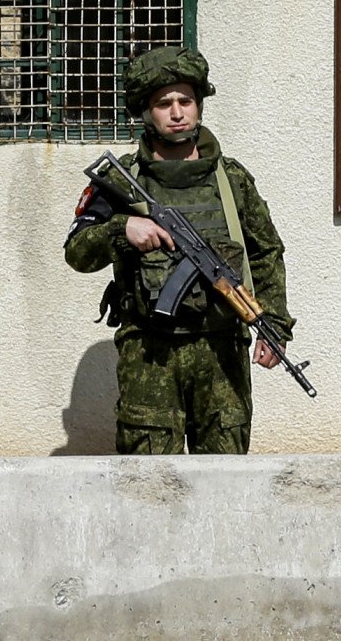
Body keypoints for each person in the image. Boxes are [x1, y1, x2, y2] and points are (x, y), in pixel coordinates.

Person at [64, 47, 290, 455]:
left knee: (226, 483)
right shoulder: (121, 179)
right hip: (150, 353)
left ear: (199, 107)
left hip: (223, 353)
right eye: (163, 103)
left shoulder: (231, 179)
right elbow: (77, 253)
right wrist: (121, 228)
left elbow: (266, 253)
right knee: (148, 482)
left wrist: (274, 327)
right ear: (146, 112)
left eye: (185, 101)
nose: (176, 112)